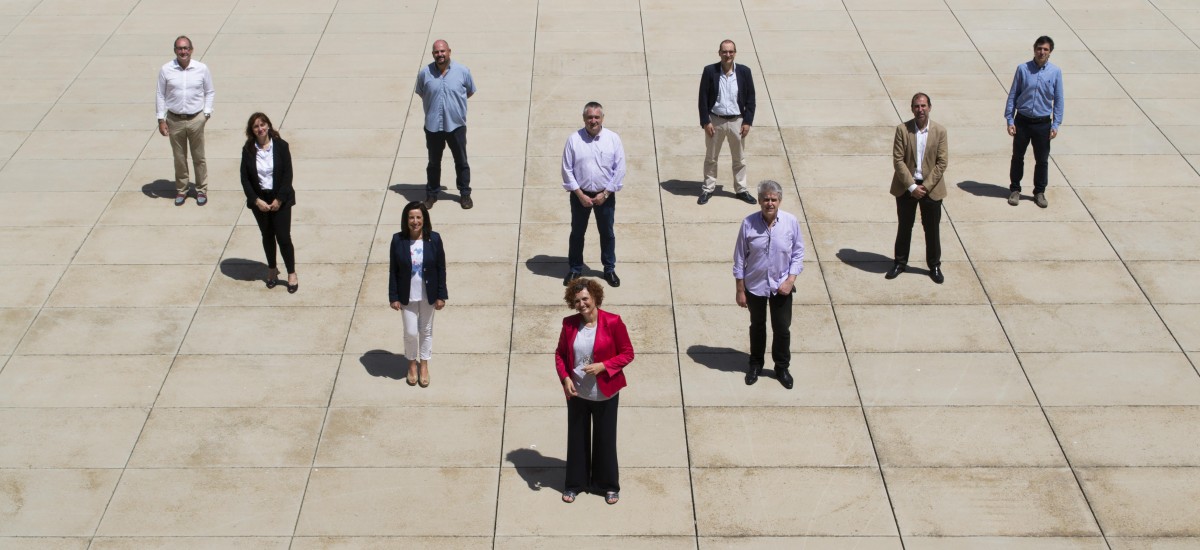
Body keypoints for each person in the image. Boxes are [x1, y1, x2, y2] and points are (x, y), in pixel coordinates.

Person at [555, 277, 634, 505]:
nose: (582, 304)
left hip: (606, 393)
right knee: (577, 440)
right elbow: (560, 354)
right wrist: (565, 378)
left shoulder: (614, 322)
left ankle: (608, 485)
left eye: (585, 298)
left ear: (595, 297)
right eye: (577, 300)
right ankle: (575, 484)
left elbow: (627, 353)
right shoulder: (569, 324)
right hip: (578, 393)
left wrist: (604, 366)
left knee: (605, 440)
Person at [733, 180, 805, 389]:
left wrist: (790, 281)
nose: (770, 203)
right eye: (766, 199)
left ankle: (781, 368)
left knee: (782, 328)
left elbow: (798, 253)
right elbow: (739, 258)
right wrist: (740, 290)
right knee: (757, 327)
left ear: (779, 201)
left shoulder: (791, 222)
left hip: (781, 286)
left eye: (774, 199)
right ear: (759, 201)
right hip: (755, 285)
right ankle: (755, 364)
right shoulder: (748, 224)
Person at [562, 102, 627, 288]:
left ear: (602, 119)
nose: (593, 121)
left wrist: (605, 193)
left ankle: (609, 269)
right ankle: (575, 268)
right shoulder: (574, 140)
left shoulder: (613, 139)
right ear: (584, 119)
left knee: (607, 233)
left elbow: (620, 169)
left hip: (604, 196)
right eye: (589, 117)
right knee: (577, 233)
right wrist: (580, 194)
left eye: (596, 117)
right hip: (579, 195)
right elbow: (567, 169)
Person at [887, 93, 949, 284]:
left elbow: (942, 162)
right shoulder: (902, 130)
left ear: (930, 107)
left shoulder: (940, 131)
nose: (920, 110)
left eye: (923, 106)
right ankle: (900, 263)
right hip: (907, 187)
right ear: (912, 108)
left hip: (931, 188)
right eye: (916, 106)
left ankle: (934, 266)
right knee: (904, 227)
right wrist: (912, 186)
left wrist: (925, 186)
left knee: (932, 230)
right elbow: (898, 161)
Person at [389, 201, 448, 388]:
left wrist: (441, 295)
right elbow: (393, 270)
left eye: (418, 217)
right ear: (406, 220)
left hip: (428, 295)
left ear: (424, 219)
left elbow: (441, 268)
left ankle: (423, 366)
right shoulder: (398, 240)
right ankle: (411, 363)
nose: (415, 221)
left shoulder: (435, 239)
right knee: (410, 332)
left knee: (426, 331)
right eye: (411, 217)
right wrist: (394, 296)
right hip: (407, 295)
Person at [239, 112, 298, 293]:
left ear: (269, 126)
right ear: (252, 131)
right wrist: (256, 200)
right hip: (260, 200)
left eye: (263, 124)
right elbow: (245, 178)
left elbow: (288, 175)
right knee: (267, 236)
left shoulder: (281, 146)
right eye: (256, 126)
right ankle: (272, 269)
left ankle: (291, 273)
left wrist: (279, 199)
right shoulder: (248, 150)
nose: (260, 128)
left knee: (283, 237)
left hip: (280, 198)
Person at [415, 39, 476, 210]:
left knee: (461, 161)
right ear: (433, 54)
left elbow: (469, 92)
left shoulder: (462, 71)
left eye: (442, 51)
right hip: (433, 127)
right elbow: (422, 93)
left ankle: (465, 194)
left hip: (456, 125)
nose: (440, 55)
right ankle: (432, 194)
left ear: (449, 51)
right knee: (433, 162)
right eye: (436, 52)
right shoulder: (424, 73)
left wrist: (455, 108)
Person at [1005, 35, 1064, 209]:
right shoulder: (1023, 69)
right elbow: (1013, 94)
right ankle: (1015, 189)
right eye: (1039, 48)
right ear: (1034, 49)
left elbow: (1059, 100)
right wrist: (1010, 118)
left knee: (1042, 160)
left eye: (1045, 49)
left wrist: (1056, 124)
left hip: (1042, 123)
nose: (1042, 52)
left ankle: (1039, 192)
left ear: (1050, 52)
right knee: (1018, 157)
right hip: (1022, 121)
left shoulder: (1055, 72)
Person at [156, 35, 215, 207]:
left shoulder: (201, 69)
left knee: (199, 157)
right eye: (180, 48)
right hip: (174, 119)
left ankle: (201, 190)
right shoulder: (166, 70)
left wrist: (206, 114)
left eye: (186, 48)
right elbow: (160, 94)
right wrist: (161, 119)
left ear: (191, 50)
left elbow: (209, 91)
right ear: (175, 51)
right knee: (179, 157)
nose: (183, 52)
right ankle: (181, 189)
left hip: (196, 118)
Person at [697, 39, 757, 206]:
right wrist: (705, 122)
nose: (727, 55)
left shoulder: (744, 72)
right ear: (719, 53)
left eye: (731, 52)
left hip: (737, 121)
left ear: (735, 53)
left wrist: (747, 121)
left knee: (739, 158)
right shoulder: (710, 71)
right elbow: (702, 98)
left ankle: (741, 190)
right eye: (724, 51)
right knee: (711, 157)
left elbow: (751, 98)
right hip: (715, 120)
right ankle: (708, 189)